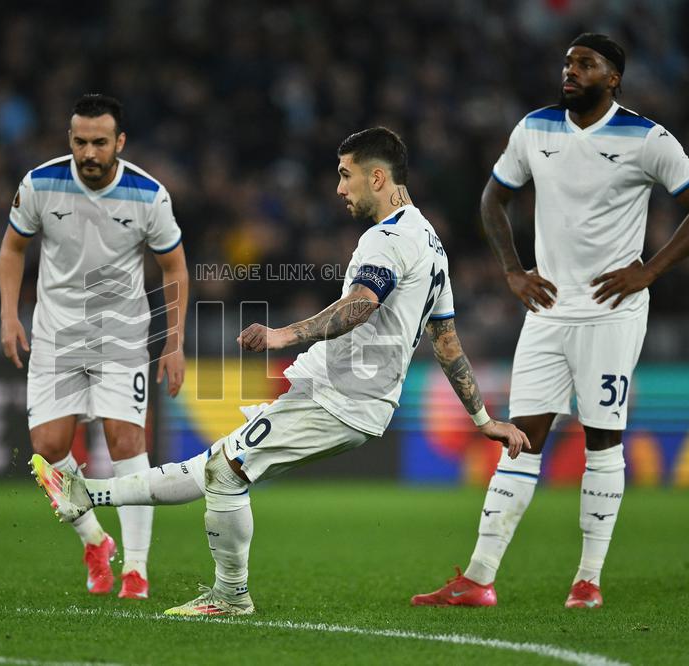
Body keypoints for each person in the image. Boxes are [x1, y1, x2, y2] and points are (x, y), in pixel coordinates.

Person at [30, 127, 530, 615]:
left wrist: (280, 336)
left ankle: (229, 596)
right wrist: (483, 417)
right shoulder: (430, 242)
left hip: (343, 399)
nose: (339, 188)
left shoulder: (388, 240)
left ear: (377, 178)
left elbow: (360, 305)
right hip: (337, 393)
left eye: (345, 175)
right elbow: (446, 341)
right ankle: (85, 494)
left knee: (225, 474)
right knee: (214, 465)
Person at [412, 34, 689, 609]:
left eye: (586, 64)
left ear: (614, 78)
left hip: (611, 314)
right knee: (520, 441)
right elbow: (493, 198)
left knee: (603, 443)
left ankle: (588, 580)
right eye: (568, 63)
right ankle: (478, 579)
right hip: (548, 313)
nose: (571, 71)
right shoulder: (535, 129)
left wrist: (650, 270)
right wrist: (512, 271)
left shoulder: (647, 138)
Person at [0, 94, 189, 600]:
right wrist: (7, 315)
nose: (89, 152)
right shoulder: (39, 184)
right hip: (55, 335)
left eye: (100, 142)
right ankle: (95, 540)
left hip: (121, 336)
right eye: (80, 141)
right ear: (70, 140)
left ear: (119, 143)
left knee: (126, 444)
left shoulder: (148, 195)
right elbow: (13, 248)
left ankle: (138, 570)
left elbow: (175, 267)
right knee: (47, 449)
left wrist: (174, 343)